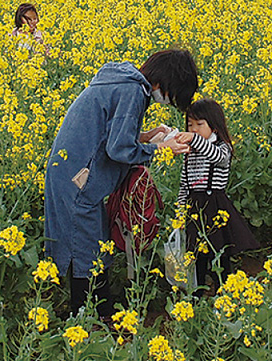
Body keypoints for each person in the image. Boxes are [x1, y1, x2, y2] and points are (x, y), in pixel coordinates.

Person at [44, 49, 198, 316]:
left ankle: (97, 308)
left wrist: (148, 136)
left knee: (93, 241)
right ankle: (85, 315)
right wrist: (163, 150)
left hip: (71, 171)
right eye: (171, 97)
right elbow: (118, 149)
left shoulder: (122, 81)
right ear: (162, 84)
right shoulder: (133, 91)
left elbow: (107, 134)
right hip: (79, 180)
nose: (167, 102)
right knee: (87, 248)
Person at [175, 98, 260, 292]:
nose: (193, 129)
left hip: (214, 204)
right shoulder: (190, 152)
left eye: (199, 124)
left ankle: (225, 290)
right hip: (194, 206)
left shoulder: (223, 147)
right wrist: (181, 208)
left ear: (213, 127)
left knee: (218, 251)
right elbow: (184, 183)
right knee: (196, 254)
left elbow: (217, 157)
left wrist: (194, 139)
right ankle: (197, 293)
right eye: (190, 125)